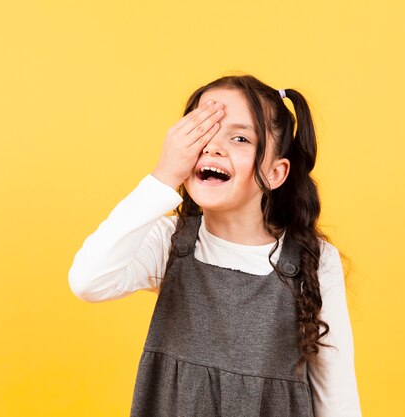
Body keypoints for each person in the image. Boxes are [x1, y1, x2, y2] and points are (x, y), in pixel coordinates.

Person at [68, 74, 362, 416]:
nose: (212, 147)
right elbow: (88, 281)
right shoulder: (170, 242)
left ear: (277, 173)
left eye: (239, 138)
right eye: (201, 132)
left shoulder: (313, 260)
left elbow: (337, 397)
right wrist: (163, 175)